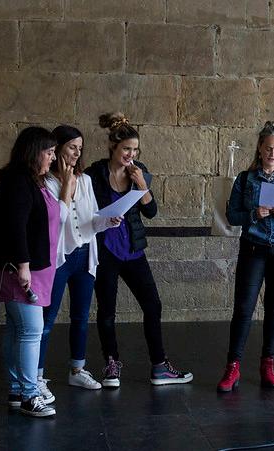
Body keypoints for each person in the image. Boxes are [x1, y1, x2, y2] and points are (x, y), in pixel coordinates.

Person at [86, 112, 193, 387]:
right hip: (106, 250)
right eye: (126, 149)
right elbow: (84, 211)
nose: (131, 155)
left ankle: (159, 366)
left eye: (135, 150)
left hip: (132, 249)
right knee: (106, 310)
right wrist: (102, 218)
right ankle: (111, 365)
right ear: (112, 146)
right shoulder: (94, 174)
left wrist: (143, 185)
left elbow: (151, 212)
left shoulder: (139, 171)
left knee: (153, 305)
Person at [217, 121, 274, 392]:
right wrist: (252, 214)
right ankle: (233, 367)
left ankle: (268, 364)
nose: (273, 153)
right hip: (253, 248)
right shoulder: (245, 179)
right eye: (268, 148)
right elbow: (232, 216)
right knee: (244, 308)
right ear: (260, 148)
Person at [36, 126, 122, 398]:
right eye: (72, 147)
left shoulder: (84, 180)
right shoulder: (45, 182)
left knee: (81, 317)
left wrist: (108, 220)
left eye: (80, 148)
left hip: (85, 254)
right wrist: (66, 185)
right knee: (46, 319)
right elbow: (55, 222)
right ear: (58, 148)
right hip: (59, 257)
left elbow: (92, 218)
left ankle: (77, 369)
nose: (76, 153)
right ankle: (36, 376)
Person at [0, 127, 67, 417]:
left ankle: (16, 389)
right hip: (21, 270)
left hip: (33, 268)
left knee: (17, 329)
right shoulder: (17, 181)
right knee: (31, 331)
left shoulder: (32, 180)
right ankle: (29, 394)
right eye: (49, 152)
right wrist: (23, 266)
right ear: (34, 152)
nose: (53, 158)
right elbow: (16, 227)